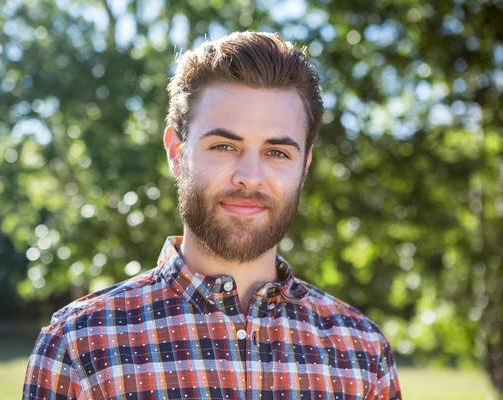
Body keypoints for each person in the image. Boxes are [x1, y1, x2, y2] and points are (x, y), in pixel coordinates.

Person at [22, 31, 402, 400]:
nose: (250, 177)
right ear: (175, 151)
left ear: (305, 165)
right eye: (223, 145)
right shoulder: (80, 346)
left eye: (277, 152)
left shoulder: (362, 353)